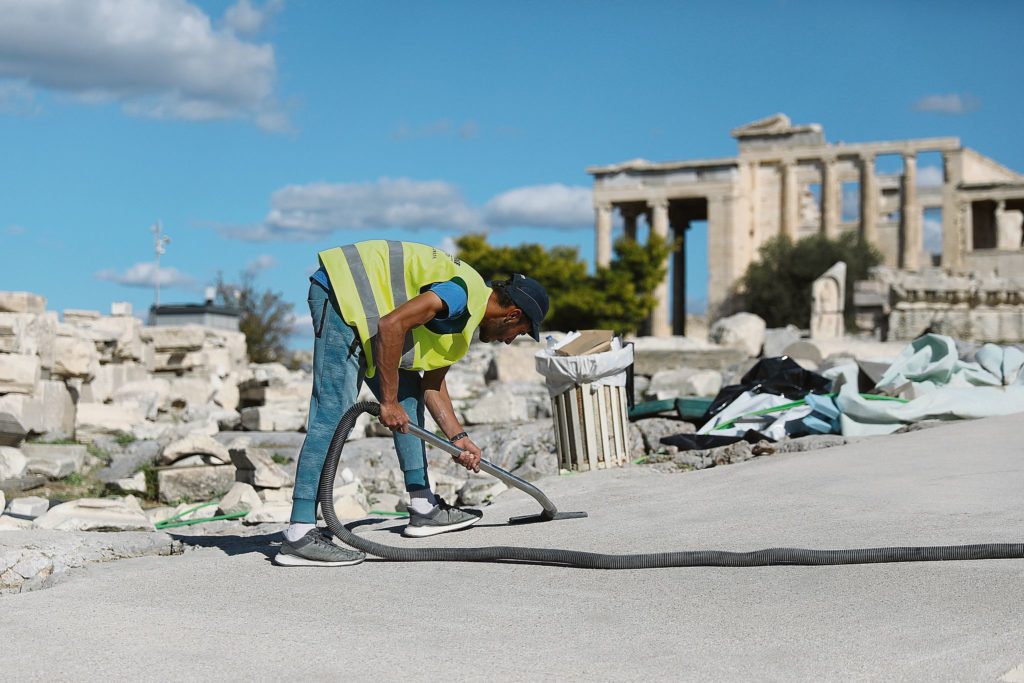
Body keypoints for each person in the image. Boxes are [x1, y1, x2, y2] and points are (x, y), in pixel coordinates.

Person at [274, 239, 550, 567]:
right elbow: (391, 325)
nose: (511, 340)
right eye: (519, 332)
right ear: (513, 314)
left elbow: (432, 386)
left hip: (370, 317)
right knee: (334, 411)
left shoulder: (465, 322)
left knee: (408, 395)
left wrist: (460, 440)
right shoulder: (461, 294)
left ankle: (423, 507)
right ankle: (299, 532)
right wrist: (387, 402)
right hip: (342, 297)